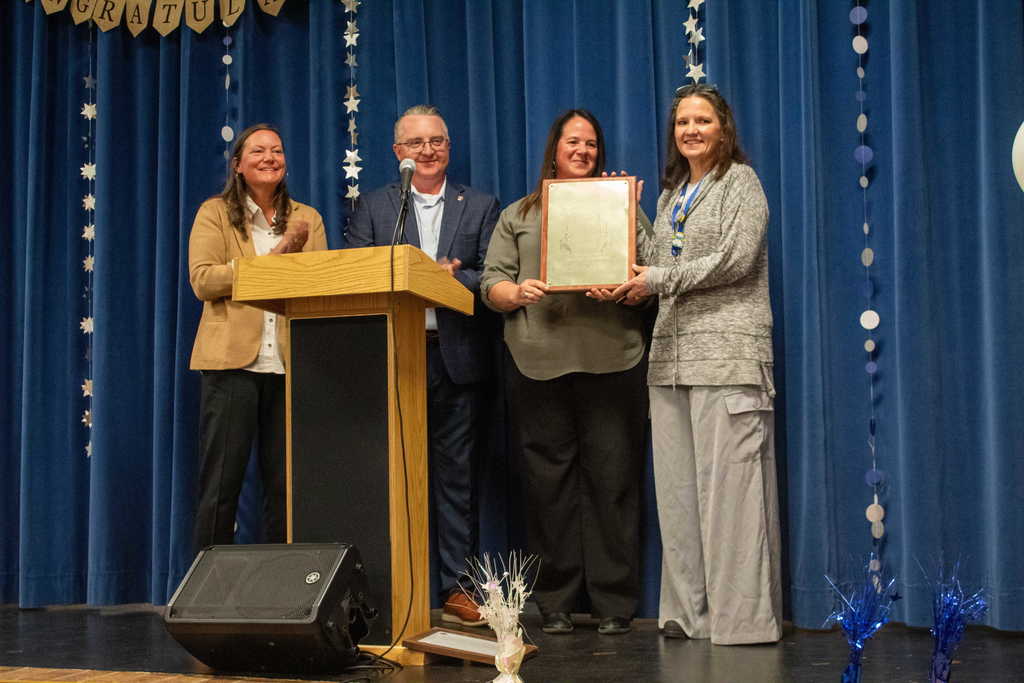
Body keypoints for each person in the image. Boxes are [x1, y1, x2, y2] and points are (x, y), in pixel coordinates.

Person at [613, 84, 782, 645]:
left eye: (702, 120)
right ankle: (688, 614)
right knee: (679, 498)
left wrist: (654, 279)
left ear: (723, 128)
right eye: (682, 121)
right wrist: (628, 237)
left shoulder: (742, 184)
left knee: (732, 499)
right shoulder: (670, 196)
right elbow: (658, 267)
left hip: (729, 358)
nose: (690, 129)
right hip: (670, 363)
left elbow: (735, 260)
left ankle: (741, 624)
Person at [480, 109, 648, 636]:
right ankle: (554, 602)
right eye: (573, 142)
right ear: (554, 149)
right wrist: (516, 292)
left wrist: (626, 274)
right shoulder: (519, 214)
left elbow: (650, 271)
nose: (583, 151)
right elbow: (491, 283)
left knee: (613, 481)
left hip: (611, 359)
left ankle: (614, 604)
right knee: (547, 485)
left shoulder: (624, 205)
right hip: (538, 362)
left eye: (592, 144)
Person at [347, 105, 500, 627]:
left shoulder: (479, 205)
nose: (427, 150)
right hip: (393, 358)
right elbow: (355, 274)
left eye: (437, 141)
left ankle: (458, 588)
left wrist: (450, 278)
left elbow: (493, 276)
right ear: (398, 154)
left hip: (456, 359)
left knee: (457, 480)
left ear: (448, 147)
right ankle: (389, 589)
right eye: (416, 143)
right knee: (389, 478)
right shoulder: (373, 207)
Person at [188, 123, 327, 553]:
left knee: (286, 489)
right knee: (222, 485)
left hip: (289, 367)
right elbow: (204, 280)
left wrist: (289, 263)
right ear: (238, 165)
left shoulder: (308, 219)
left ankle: (283, 592)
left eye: (278, 151)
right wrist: (274, 261)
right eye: (258, 151)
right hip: (232, 365)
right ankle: (205, 593)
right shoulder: (214, 212)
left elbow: (319, 283)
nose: (270, 157)